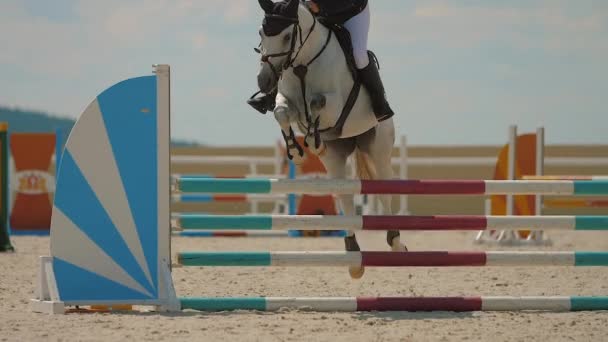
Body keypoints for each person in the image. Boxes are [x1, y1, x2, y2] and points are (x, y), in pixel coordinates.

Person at [248, 0, 394, 122]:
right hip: (319, 12)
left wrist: (321, 7)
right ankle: (272, 96)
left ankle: (380, 103)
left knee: (359, 56)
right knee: (294, 45)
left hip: (352, 12)